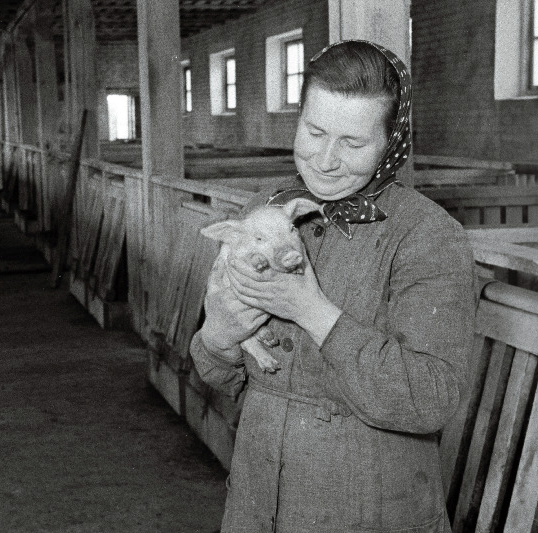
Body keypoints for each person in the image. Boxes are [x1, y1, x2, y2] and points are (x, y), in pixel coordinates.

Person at [189, 40, 477, 532]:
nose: (324, 160)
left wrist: (312, 310)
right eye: (313, 130)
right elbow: (221, 377)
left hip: (368, 505)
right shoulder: (267, 209)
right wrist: (217, 337)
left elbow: (431, 400)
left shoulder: (427, 235)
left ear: (392, 143)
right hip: (260, 497)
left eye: (353, 143)